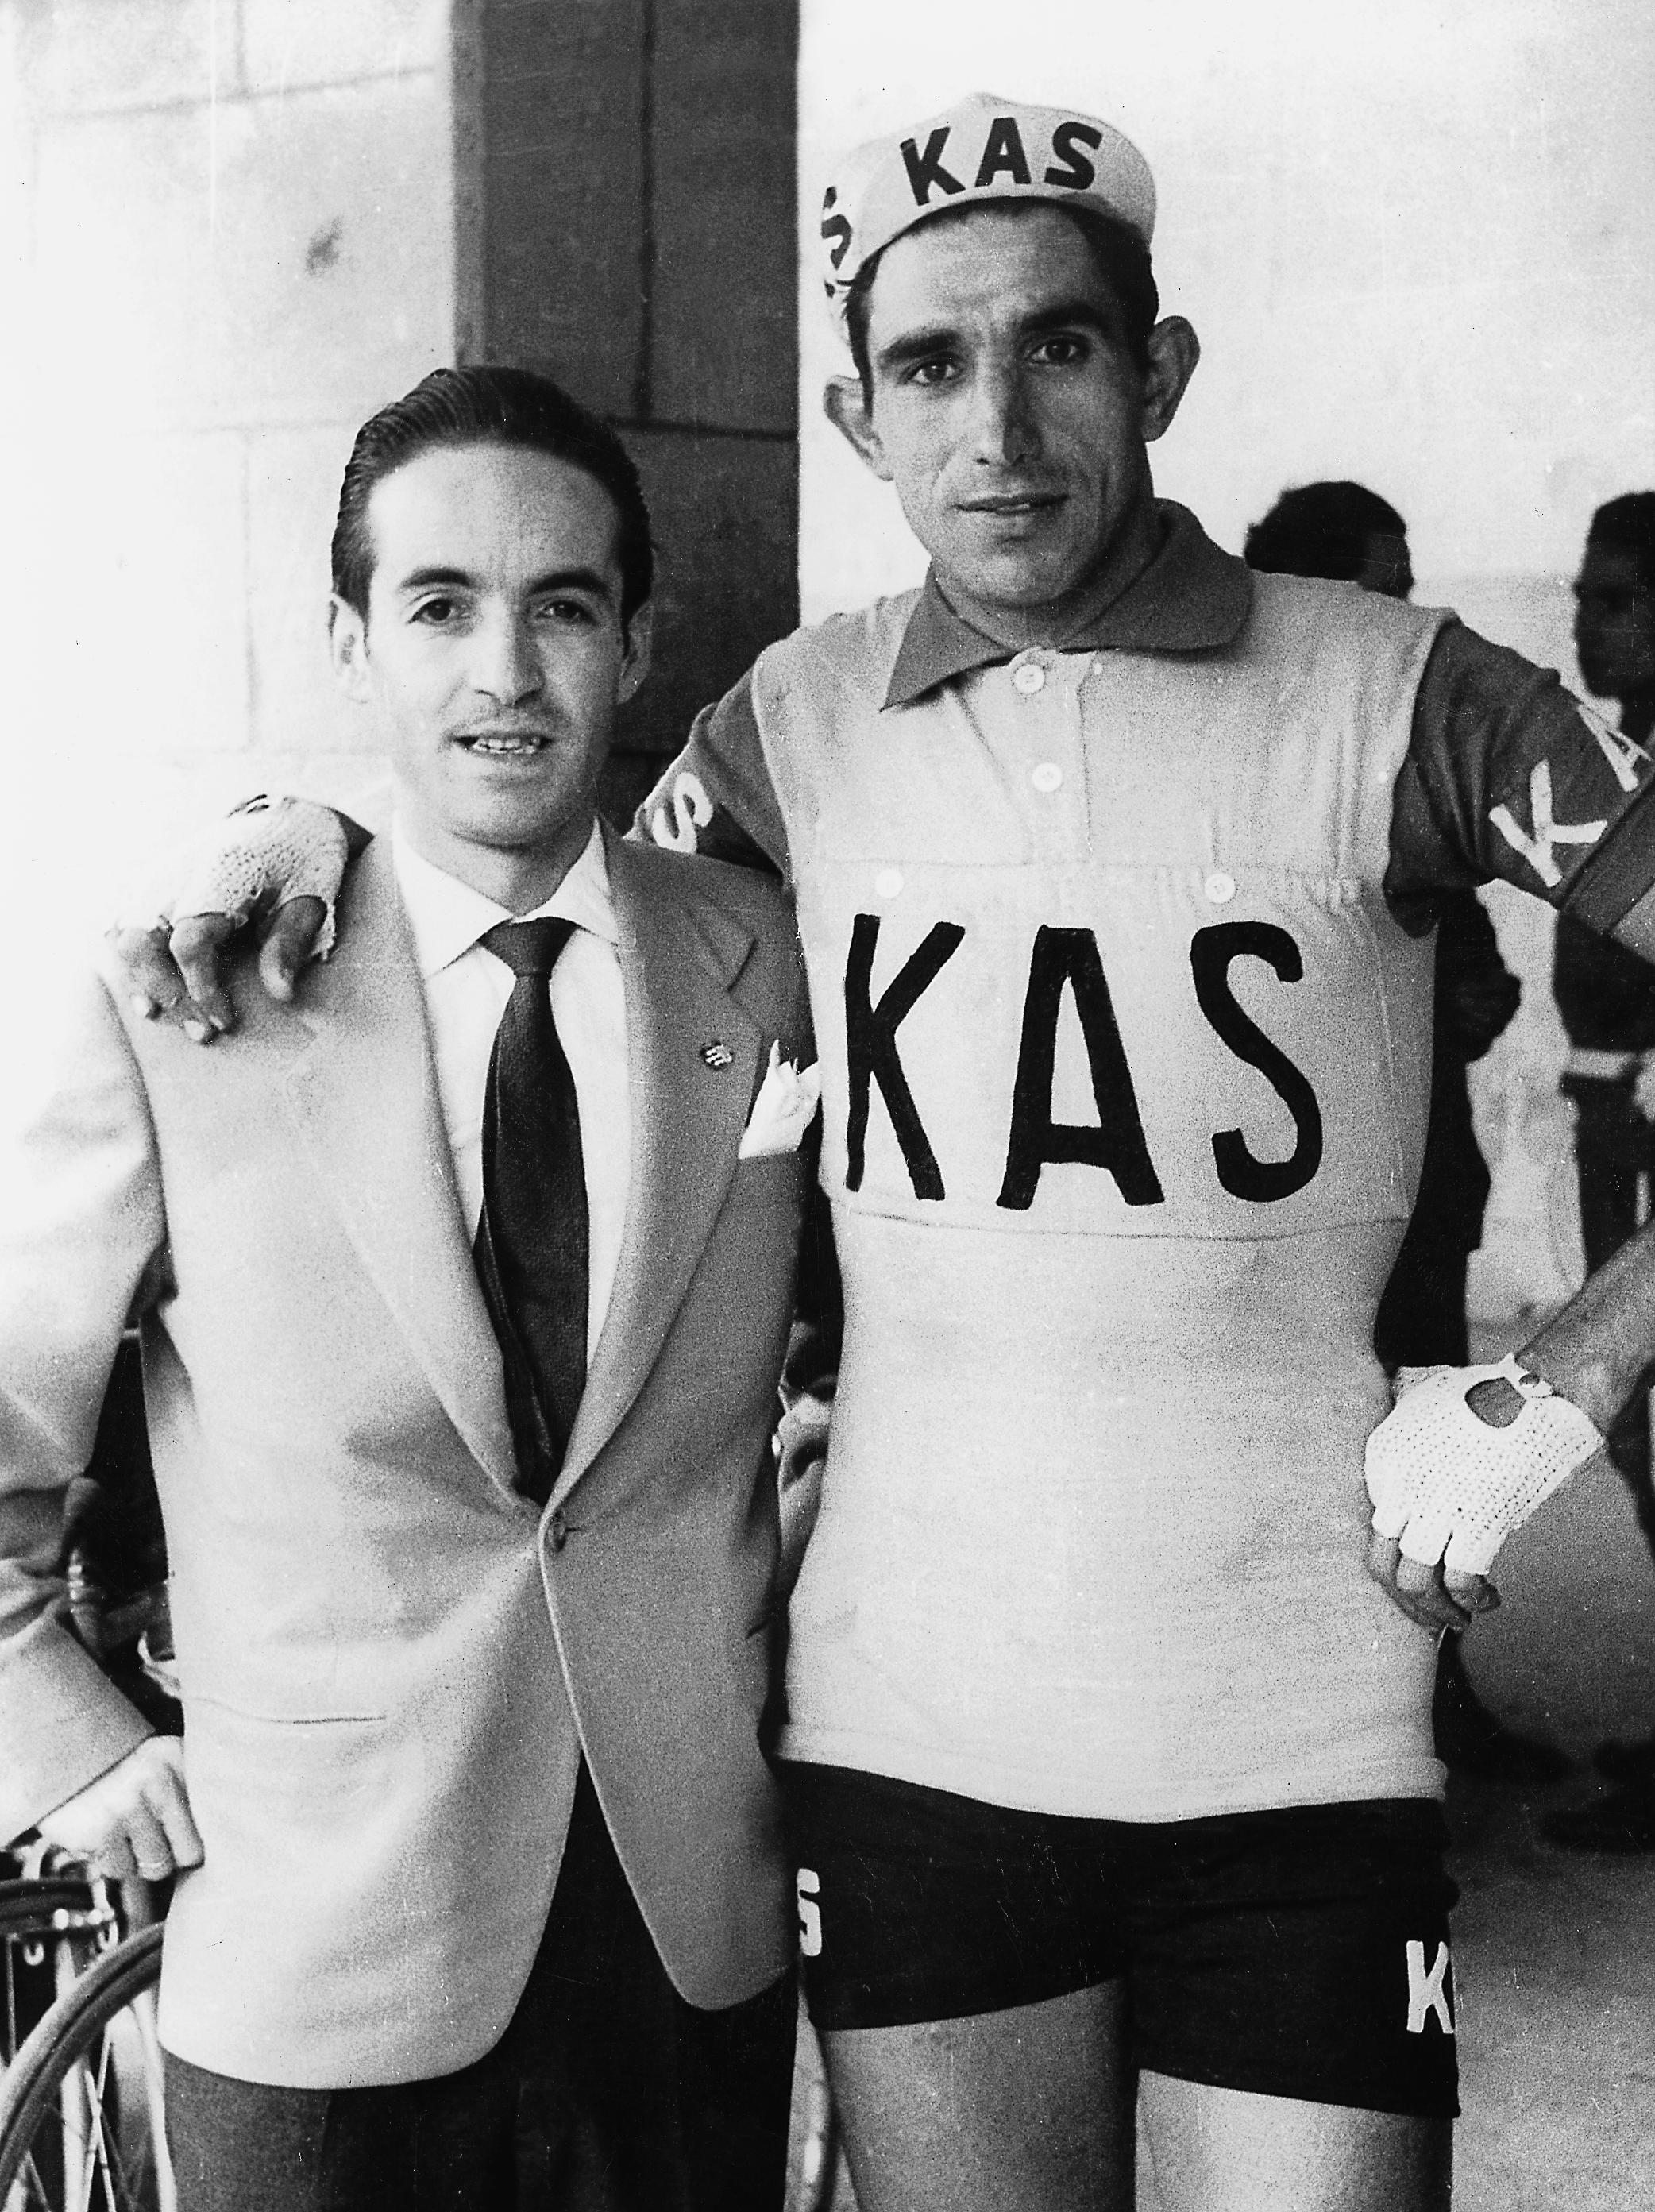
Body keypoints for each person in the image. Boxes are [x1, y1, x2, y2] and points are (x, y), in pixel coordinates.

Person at [103, 98, 1655, 2212]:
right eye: (929, 366)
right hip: (908, 1746)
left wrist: (1562, 1375)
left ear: (1160, 368)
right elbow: (534, 886)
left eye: (1058, 348)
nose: (995, 430)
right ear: (853, 417)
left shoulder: (1408, 694)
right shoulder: (786, 726)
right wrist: (297, 829)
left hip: (1301, 1729)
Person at [0, 366, 816, 2212]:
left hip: (685, 1943)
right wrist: (55, 1737)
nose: (505, 673)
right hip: (318, 1956)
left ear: (638, 640)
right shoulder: (187, 991)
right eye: (440, 606)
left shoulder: (762, 959)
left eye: (562, 607)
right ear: (350, 641)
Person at [1244, 480, 1561, 1782]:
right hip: (1287, 1200)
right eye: (1379, 585)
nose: (1403, 613)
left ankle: (1434, 1702)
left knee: (1425, 1449)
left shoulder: (1402, 764)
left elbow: (1476, 968)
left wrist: (1446, 1005)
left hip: (1419, 1182)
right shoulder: (1242, 766)